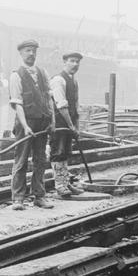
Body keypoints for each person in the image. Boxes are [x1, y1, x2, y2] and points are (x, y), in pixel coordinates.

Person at [8, 39, 54, 210]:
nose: (31, 54)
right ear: (21, 53)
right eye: (27, 50)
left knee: (40, 160)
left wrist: (52, 121)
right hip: (24, 123)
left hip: (42, 122)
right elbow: (17, 103)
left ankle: (39, 196)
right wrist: (26, 126)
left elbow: (49, 98)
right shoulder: (16, 75)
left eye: (34, 50)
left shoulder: (43, 72)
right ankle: (18, 198)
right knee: (21, 160)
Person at [50, 52, 85, 198]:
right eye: (72, 61)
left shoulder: (74, 81)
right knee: (58, 153)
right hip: (59, 124)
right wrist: (71, 126)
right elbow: (61, 106)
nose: (75, 64)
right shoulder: (58, 80)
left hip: (69, 124)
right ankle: (60, 186)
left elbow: (75, 106)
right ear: (64, 62)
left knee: (65, 154)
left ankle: (65, 183)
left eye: (77, 62)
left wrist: (77, 126)